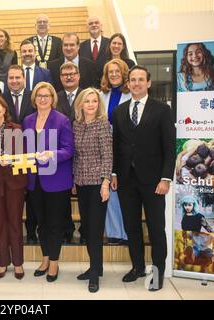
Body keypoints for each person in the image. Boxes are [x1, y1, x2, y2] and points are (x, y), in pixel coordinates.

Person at [112, 66, 175, 291]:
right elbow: (116, 147)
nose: (136, 83)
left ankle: (157, 274)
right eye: (132, 80)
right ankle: (137, 267)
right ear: (127, 84)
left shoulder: (162, 110)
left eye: (141, 80)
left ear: (148, 83)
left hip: (154, 181)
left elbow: (169, 148)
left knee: (156, 228)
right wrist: (114, 173)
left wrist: (166, 178)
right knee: (132, 227)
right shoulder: (119, 111)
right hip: (127, 180)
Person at [23, 82, 74, 282]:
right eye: (39, 95)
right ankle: (45, 259)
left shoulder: (62, 120)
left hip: (57, 181)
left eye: (46, 95)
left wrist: (52, 155)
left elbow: (69, 150)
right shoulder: (27, 120)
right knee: (41, 224)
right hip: (34, 181)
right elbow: (25, 149)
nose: (43, 99)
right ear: (34, 99)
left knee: (54, 224)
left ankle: (54, 262)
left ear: (53, 98)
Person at [0, 94, 27, 279]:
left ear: (4, 108)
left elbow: (24, 155)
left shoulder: (16, 129)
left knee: (15, 223)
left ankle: (17, 263)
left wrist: (13, 159)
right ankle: (1, 262)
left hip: (14, 183)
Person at [73, 88, 112, 293]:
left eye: (94, 101)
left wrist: (105, 183)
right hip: (81, 182)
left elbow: (108, 155)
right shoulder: (76, 125)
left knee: (95, 230)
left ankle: (95, 274)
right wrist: (73, 179)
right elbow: (75, 155)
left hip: (98, 184)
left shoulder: (103, 124)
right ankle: (95, 266)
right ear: (81, 104)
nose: (90, 104)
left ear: (98, 104)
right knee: (87, 228)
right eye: (87, 101)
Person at [4, 65, 37, 244]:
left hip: (29, 151)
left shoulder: (33, 97)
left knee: (31, 193)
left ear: (24, 78)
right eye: (11, 78)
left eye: (18, 77)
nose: (15, 81)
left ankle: (31, 231)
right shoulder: (2, 98)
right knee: (13, 192)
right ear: (7, 80)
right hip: (8, 155)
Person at [100, 59, 131, 245]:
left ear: (124, 73)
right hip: (104, 144)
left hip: (124, 146)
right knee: (109, 187)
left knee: (124, 189)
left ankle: (127, 232)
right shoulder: (101, 94)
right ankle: (114, 232)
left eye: (117, 71)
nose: (113, 74)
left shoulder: (131, 94)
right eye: (110, 72)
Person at [56, 62, 82, 244]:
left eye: (72, 73)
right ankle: (66, 229)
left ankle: (86, 230)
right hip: (62, 154)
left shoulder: (88, 96)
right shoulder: (55, 98)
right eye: (65, 74)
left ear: (78, 75)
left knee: (85, 195)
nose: (69, 77)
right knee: (63, 196)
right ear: (60, 78)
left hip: (84, 153)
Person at [79, 16, 110, 85]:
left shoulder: (110, 43)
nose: (94, 25)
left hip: (107, 86)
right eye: (90, 23)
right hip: (87, 87)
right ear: (87, 28)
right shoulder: (81, 46)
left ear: (101, 26)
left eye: (96, 23)